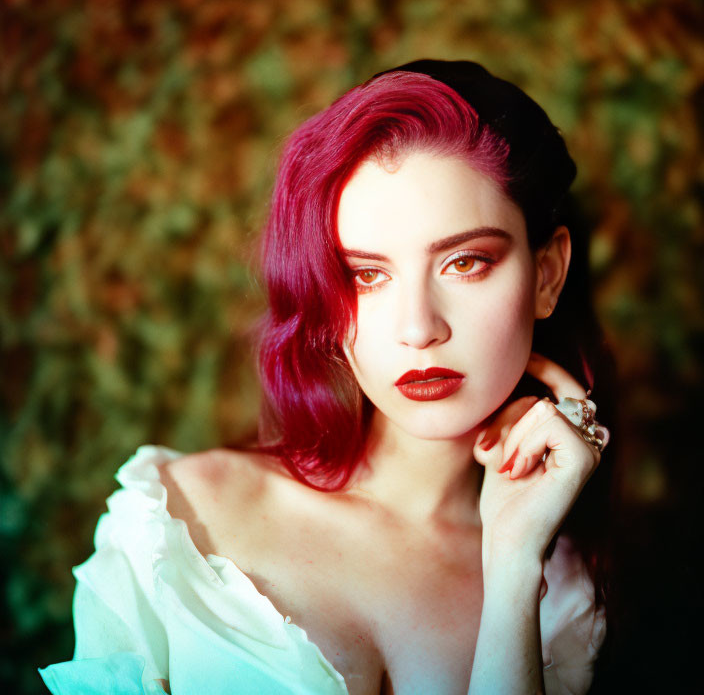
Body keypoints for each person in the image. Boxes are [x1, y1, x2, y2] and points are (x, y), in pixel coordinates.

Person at [40, 60, 613, 694]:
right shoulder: (178, 518)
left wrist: (512, 567)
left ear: (548, 274)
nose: (417, 329)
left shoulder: (562, 599)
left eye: (465, 262)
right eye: (367, 276)